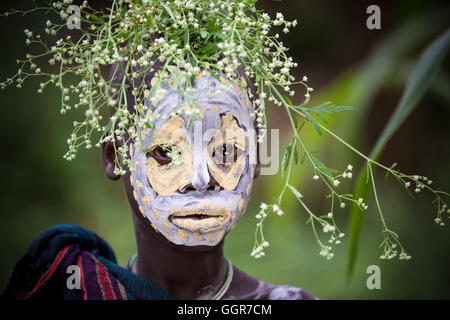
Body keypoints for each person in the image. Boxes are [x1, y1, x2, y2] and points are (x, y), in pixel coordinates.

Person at [2, 63, 316, 300]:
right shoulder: (75, 288)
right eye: (166, 151)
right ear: (116, 158)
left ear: (256, 157)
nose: (200, 179)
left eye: (225, 151)